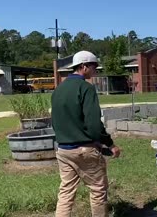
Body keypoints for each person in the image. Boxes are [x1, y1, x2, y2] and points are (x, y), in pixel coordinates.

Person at [52, 51, 121, 217]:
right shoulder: (86, 88)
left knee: (66, 191)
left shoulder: (58, 90)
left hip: (63, 150)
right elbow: (94, 123)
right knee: (98, 190)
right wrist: (109, 144)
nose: (96, 70)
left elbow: (56, 121)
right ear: (84, 67)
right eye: (94, 66)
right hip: (84, 150)